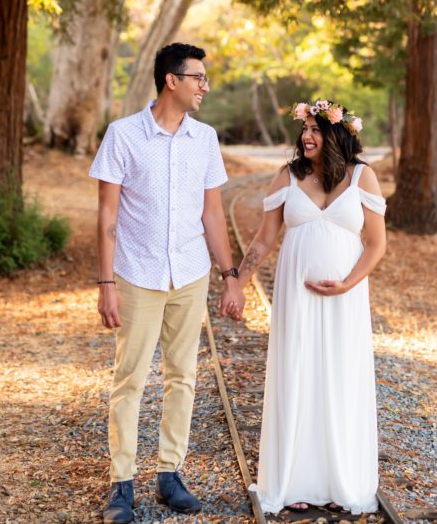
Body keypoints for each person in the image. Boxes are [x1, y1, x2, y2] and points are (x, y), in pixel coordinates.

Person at [90, 43, 245, 524]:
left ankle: (169, 473)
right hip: (138, 273)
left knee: (183, 376)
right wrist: (106, 282)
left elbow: (213, 212)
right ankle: (122, 484)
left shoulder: (205, 138)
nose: (205, 86)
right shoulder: (123, 135)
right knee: (130, 379)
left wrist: (231, 275)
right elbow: (107, 213)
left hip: (190, 272)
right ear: (171, 81)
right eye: (198, 77)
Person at [238, 99, 387, 515]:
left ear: (337, 134)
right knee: (297, 374)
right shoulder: (287, 176)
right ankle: (294, 481)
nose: (307, 136)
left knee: (339, 377)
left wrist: (347, 285)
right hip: (296, 295)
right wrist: (237, 282)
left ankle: (341, 481)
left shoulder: (363, 177)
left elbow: (377, 245)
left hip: (346, 298)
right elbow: (264, 241)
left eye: (317, 130)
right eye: (305, 129)